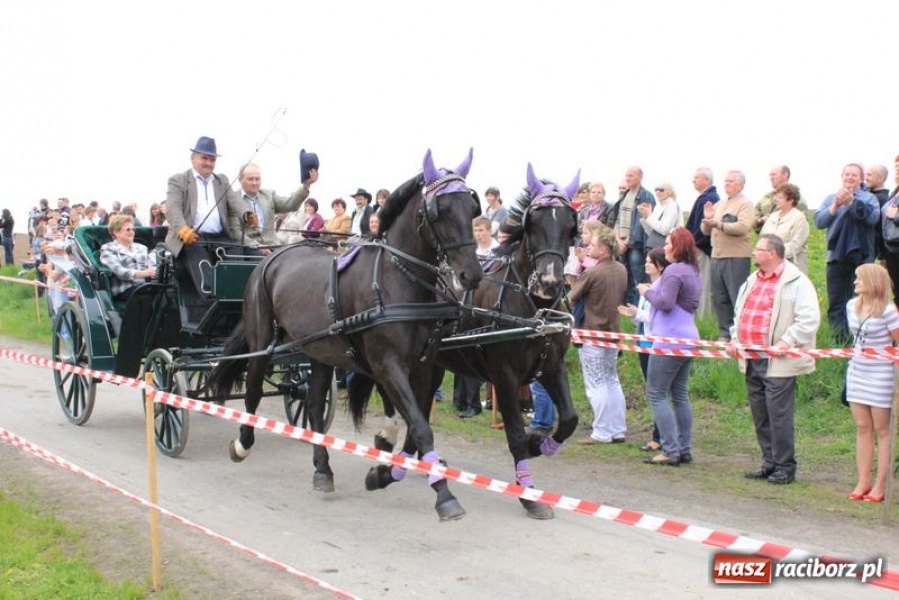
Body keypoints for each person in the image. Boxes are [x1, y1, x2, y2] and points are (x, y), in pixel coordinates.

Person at [727, 233, 820, 485]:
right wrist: (736, 339)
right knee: (760, 413)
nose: (754, 252)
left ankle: (785, 466)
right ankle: (769, 462)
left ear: (773, 254)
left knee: (778, 414)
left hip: (779, 360)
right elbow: (739, 314)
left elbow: (809, 318)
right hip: (751, 357)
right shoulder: (751, 280)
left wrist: (786, 342)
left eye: (759, 249)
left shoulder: (797, 282)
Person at [163, 136, 251, 313]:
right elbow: (172, 208)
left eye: (212, 159)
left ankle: (241, 304)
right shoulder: (178, 180)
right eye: (204, 158)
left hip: (221, 238)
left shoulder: (222, 181)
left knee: (241, 260)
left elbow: (235, 202)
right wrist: (182, 229)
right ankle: (212, 308)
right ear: (193, 158)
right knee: (203, 269)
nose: (208, 163)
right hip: (191, 238)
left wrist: (247, 214)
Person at [637, 228, 702, 466]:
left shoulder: (674, 271)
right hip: (687, 338)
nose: (664, 247)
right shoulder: (693, 270)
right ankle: (683, 448)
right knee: (680, 394)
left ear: (678, 247)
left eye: (668, 243)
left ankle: (670, 449)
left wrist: (646, 292)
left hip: (669, 338)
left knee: (656, 393)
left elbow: (665, 303)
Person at [568, 225, 628, 444]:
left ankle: (602, 431)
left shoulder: (593, 272)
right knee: (612, 380)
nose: (588, 247)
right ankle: (618, 429)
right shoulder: (621, 269)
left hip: (592, 333)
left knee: (595, 384)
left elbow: (571, 297)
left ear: (603, 249)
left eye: (592, 245)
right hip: (613, 333)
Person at [844, 263, 899, 502]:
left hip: (881, 373)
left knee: (882, 430)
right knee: (862, 427)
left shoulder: (888, 311)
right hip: (857, 370)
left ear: (873, 281)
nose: (855, 282)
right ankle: (863, 479)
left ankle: (881, 483)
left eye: (860, 278)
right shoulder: (851, 306)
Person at [813, 163, 880, 343]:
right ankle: (839, 341)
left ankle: (862, 340)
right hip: (836, 256)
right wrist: (836, 204)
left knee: (863, 299)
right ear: (842, 176)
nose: (850, 178)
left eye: (854, 175)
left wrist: (851, 203)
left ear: (861, 178)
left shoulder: (869, 198)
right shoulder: (830, 198)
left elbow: (872, 219)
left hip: (862, 257)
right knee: (836, 301)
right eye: (847, 174)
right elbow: (819, 222)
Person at [618, 247, 670, 452]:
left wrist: (637, 313)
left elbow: (657, 318)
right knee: (653, 390)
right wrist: (634, 314)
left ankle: (660, 436)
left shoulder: (661, 288)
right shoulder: (647, 287)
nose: (645, 264)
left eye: (649, 261)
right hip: (643, 342)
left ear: (659, 265)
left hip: (653, 344)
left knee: (658, 391)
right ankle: (660, 433)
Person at [701, 170, 753, 342]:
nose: (726, 184)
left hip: (736, 257)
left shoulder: (745, 204)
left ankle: (740, 333)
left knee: (736, 296)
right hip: (717, 256)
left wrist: (719, 224)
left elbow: (743, 227)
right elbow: (705, 231)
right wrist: (707, 220)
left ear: (741, 185)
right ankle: (724, 332)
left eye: (731, 181)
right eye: (725, 181)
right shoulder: (720, 204)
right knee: (719, 296)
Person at [239, 155, 317, 251]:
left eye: (257, 179)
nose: (255, 183)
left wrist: (306, 184)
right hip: (249, 249)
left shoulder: (269, 195)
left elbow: (290, 204)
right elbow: (235, 232)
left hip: (273, 247)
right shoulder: (233, 199)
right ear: (240, 179)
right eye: (250, 179)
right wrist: (258, 247)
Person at [613, 166, 655, 305]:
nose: (627, 178)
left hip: (636, 245)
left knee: (640, 277)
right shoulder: (625, 195)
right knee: (625, 277)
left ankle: (642, 309)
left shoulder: (645, 196)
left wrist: (627, 242)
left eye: (631, 175)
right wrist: (618, 240)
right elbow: (618, 219)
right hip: (622, 243)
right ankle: (630, 308)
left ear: (640, 177)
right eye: (627, 175)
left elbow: (640, 223)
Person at [685, 167, 719, 319]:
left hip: (703, 248)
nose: (694, 180)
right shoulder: (705, 196)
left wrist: (692, 242)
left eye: (697, 178)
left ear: (707, 180)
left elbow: (701, 226)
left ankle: (704, 318)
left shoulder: (709, 198)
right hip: (699, 246)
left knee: (704, 285)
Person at [99, 214, 157, 301]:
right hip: (124, 288)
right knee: (150, 293)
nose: (132, 232)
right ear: (116, 232)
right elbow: (119, 272)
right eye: (128, 229)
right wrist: (145, 273)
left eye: (133, 229)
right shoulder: (107, 248)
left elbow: (152, 265)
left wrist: (155, 271)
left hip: (146, 285)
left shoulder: (142, 247)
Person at [759, 182, 809, 273]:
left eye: (780, 198)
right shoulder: (772, 216)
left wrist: (774, 254)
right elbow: (763, 237)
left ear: (790, 200)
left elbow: (796, 245)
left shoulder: (799, 218)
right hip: (770, 268)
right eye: (776, 197)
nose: (776, 200)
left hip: (791, 269)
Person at [753, 165, 808, 232]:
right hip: (765, 240)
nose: (771, 178)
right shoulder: (765, 198)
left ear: (785, 175)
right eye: (770, 175)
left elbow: (801, 226)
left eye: (773, 175)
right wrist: (761, 220)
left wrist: (775, 221)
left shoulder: (796, 198)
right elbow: (751, 219)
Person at [637, 182, 682, 252]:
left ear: (669, 192)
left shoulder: (672, 205)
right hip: (655, 247)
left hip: (666, 248)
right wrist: (645, 215)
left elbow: (665, 230)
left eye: (661, 190)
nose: (658, 192)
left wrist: (649, 215)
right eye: (656, 189)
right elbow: (651, 232)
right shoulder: (658, 206)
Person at [881, 157, 899, 304]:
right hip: (891, 248)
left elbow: (893, 216)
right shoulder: (894, 193)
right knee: (896, 290)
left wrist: (896, 216)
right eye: (896, 167)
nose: (898, 171)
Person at [865, 164, 890, 261]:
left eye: (869, 175)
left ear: (880, 178)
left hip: (870, 247)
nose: (865, 178)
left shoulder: (881, 199)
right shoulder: (869, 194)